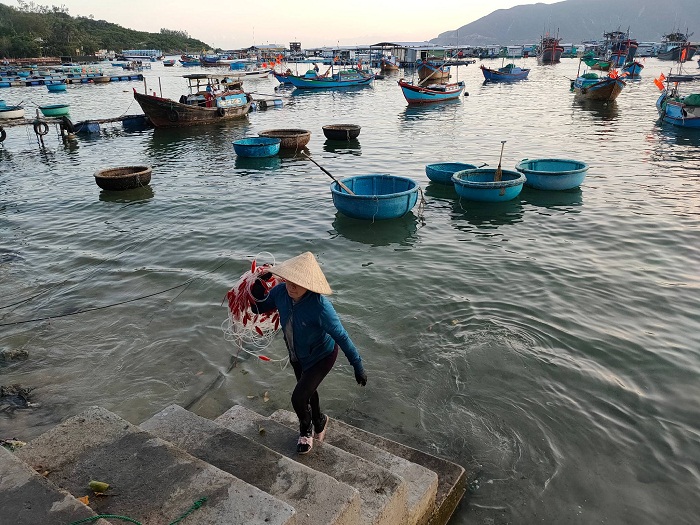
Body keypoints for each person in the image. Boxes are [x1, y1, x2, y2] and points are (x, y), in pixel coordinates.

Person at [251, 252, 367, 454]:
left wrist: (357, 366)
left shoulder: (321, 308)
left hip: (322, 356)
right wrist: (257, 289)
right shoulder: (281, 293)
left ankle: (306, 431)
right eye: (289, 282)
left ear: (309, 285)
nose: (291, 287)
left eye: (297, 284)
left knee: (298, 398)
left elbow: (342, 337)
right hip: (297, 354)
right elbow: (258, 308)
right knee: (308, 392)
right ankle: (320, 420)